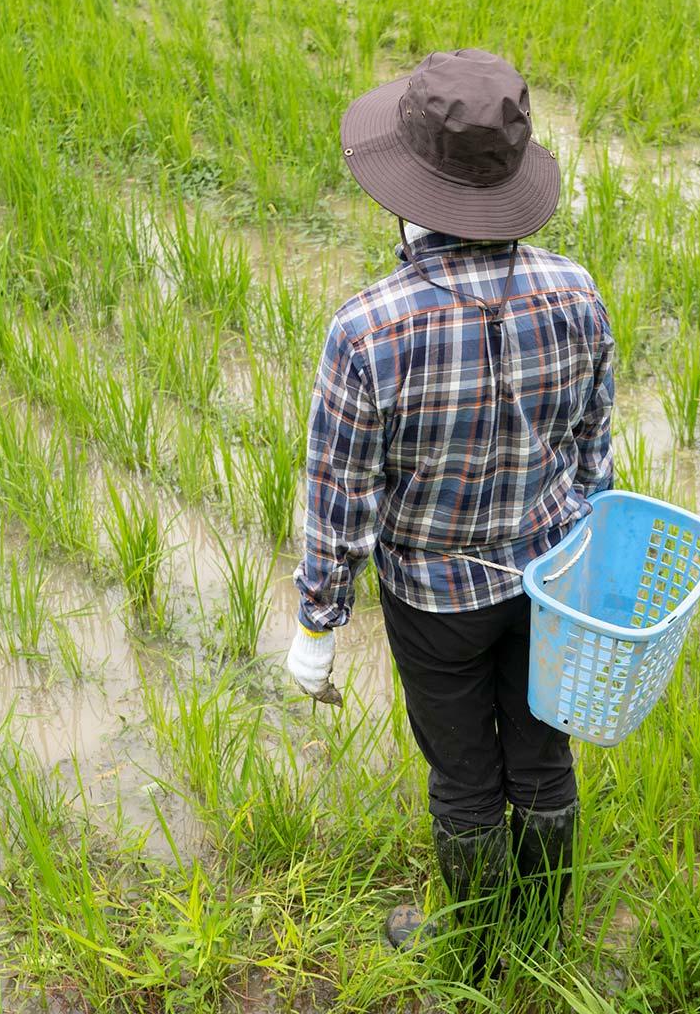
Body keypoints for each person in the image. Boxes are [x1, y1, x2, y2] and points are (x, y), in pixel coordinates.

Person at [285, 49, 615, 959]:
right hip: (552, 578)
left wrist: (318, 625)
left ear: (407, 185)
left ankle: (476, 950)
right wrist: (584, 560)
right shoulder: (576, 292)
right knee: (543, 756)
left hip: (434, 600)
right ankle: (541, 937)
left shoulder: (368, 327)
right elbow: (594, 450)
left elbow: (337, 493)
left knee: (466, 773)